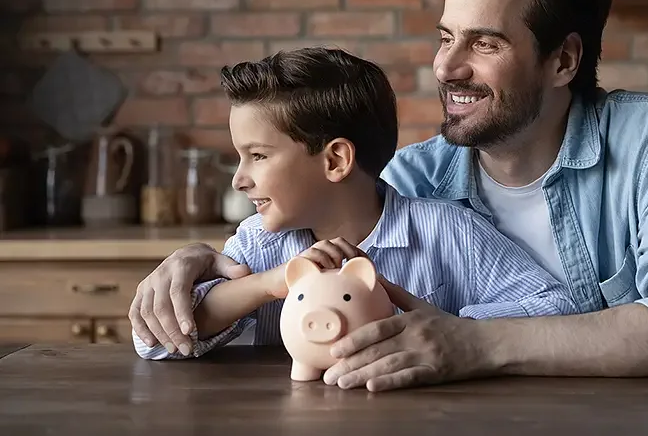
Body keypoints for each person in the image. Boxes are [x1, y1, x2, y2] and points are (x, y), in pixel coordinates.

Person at [129, 0, 648, 389]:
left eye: (484, 42)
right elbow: (300, 254)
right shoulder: (413, 179)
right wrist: (202, 261)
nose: (446, 68)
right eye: (444, 37)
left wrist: (480, 343)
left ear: (563, 60)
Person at [131, 47, 577, 360]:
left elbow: (557, 307)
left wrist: (448, 324)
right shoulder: (260, 246)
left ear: (336, 160)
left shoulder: (449, 232)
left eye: (259, 156)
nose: (240, 179)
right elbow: (156, 343)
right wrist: (269, 285)